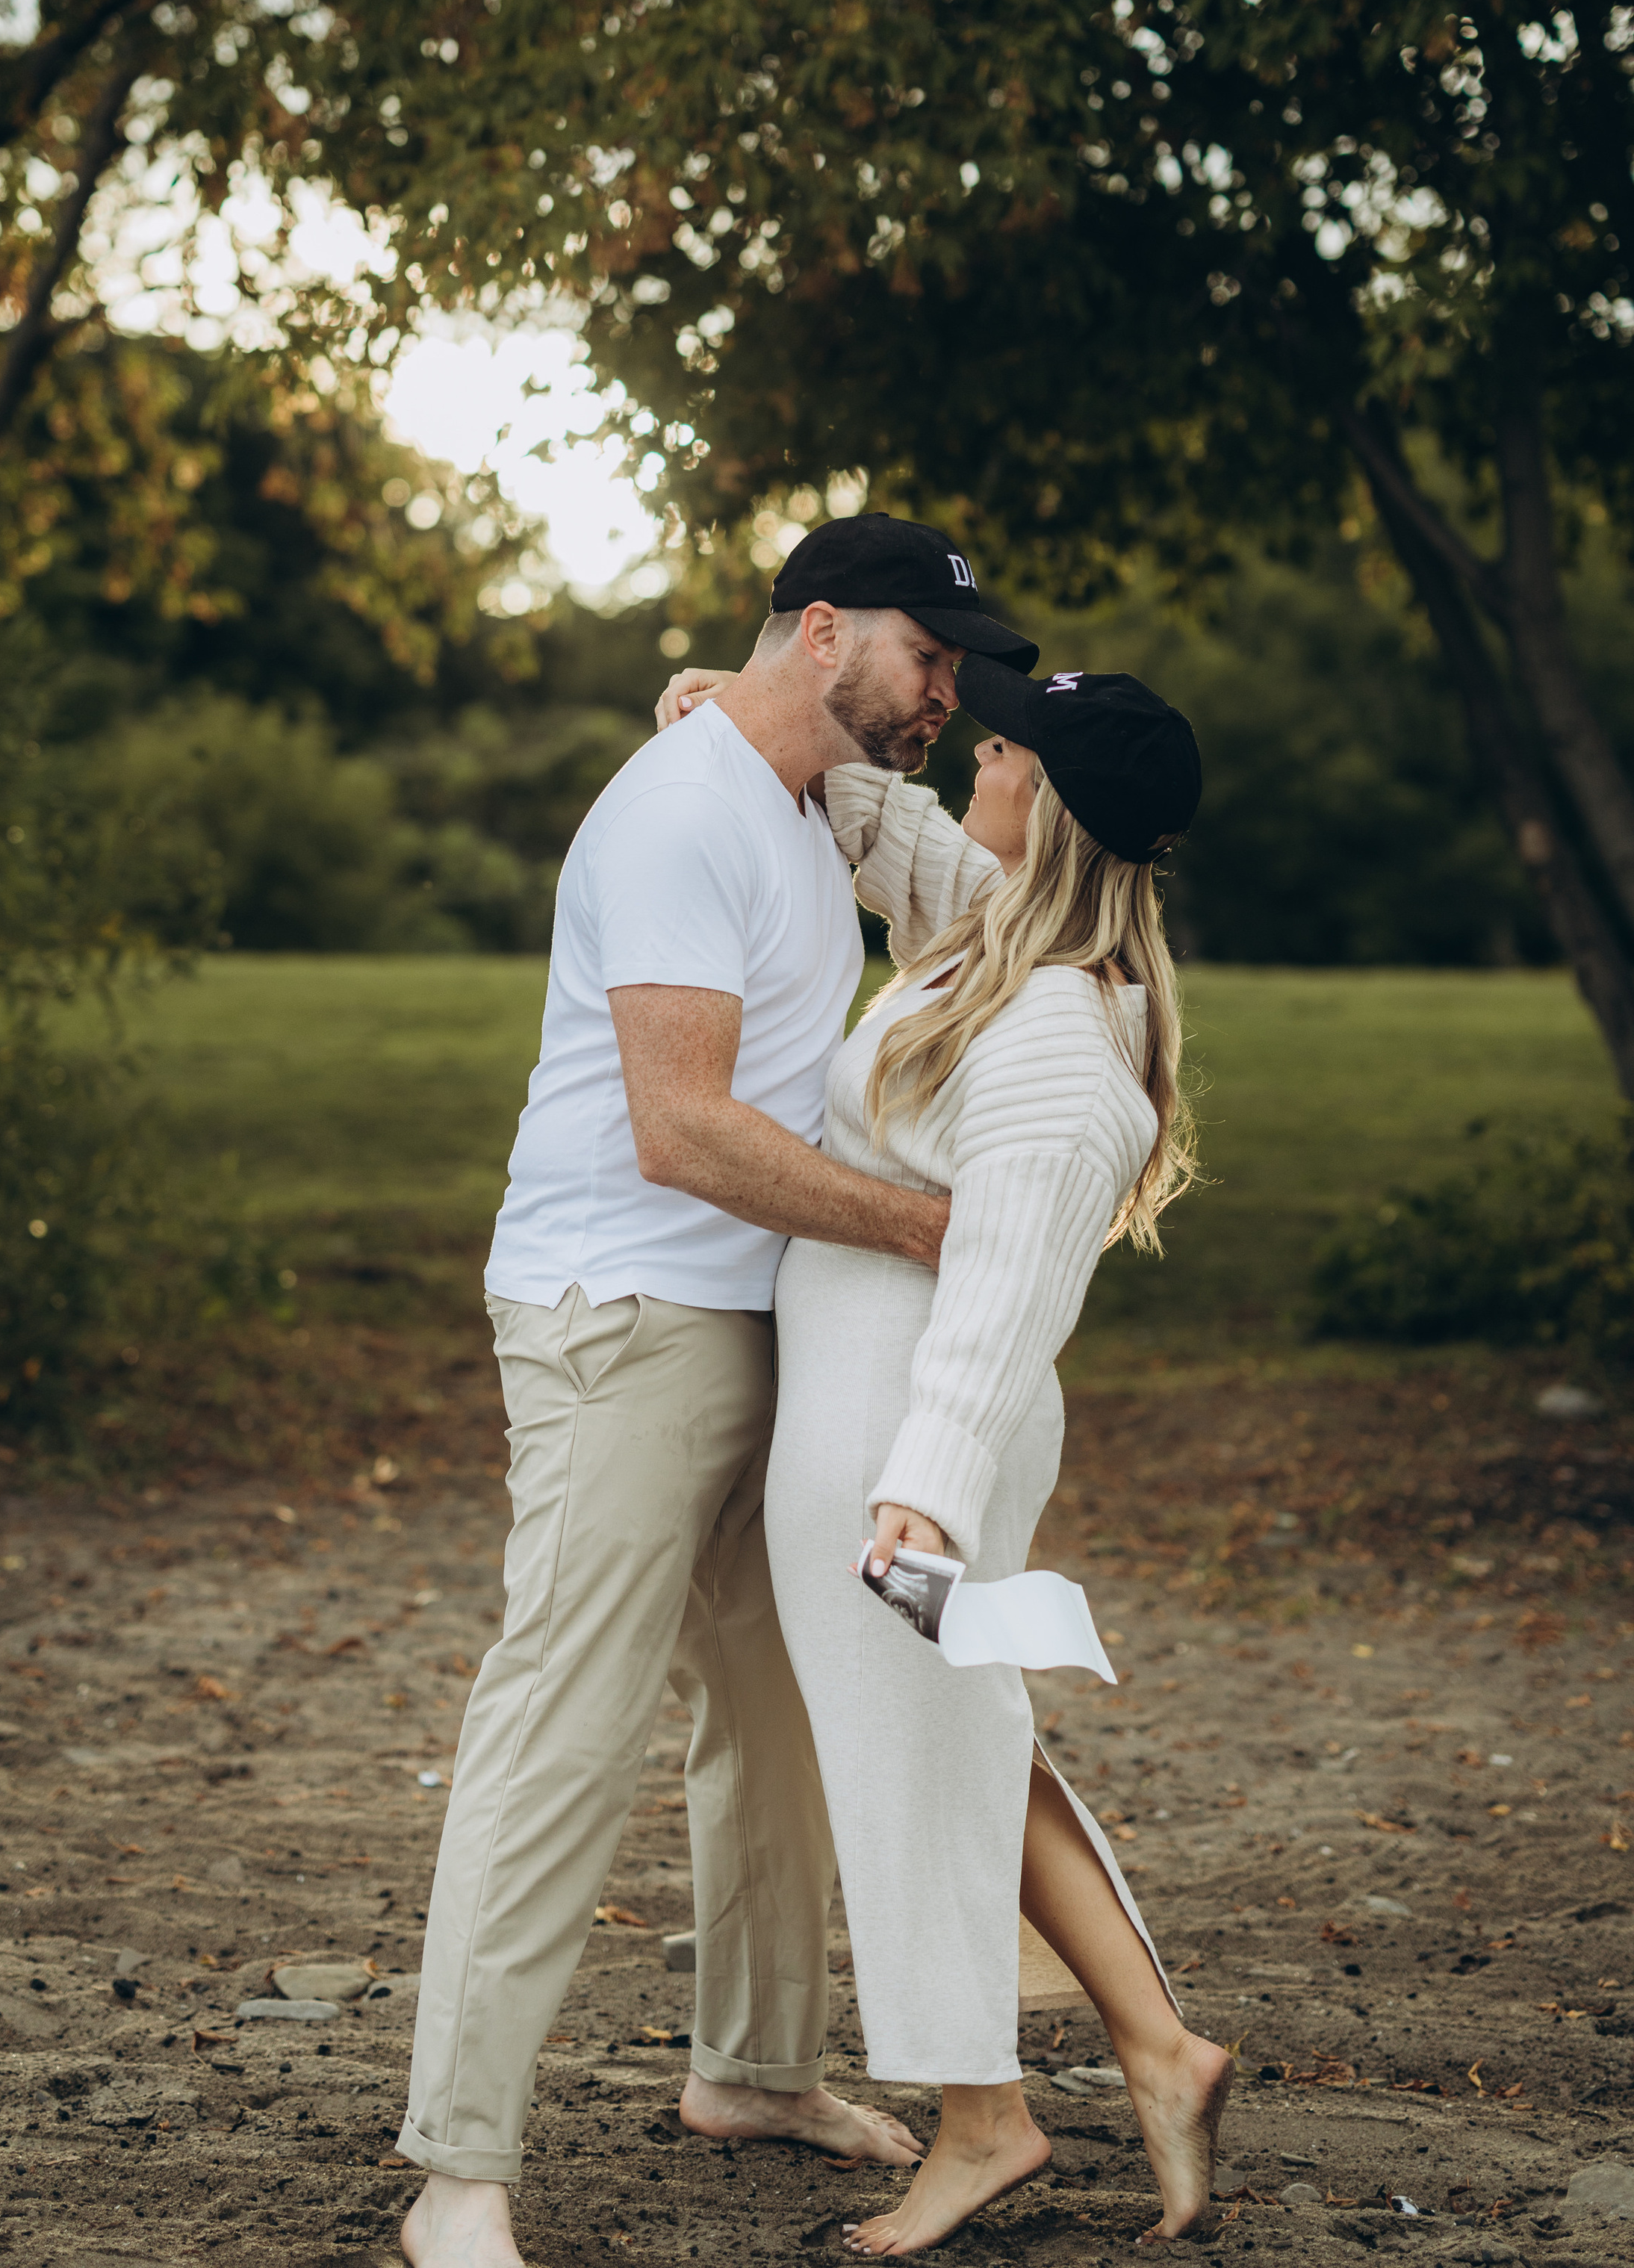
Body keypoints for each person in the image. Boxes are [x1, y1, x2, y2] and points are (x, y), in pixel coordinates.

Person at [399, 515, 1040, 2268]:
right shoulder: (681, 808)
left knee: (774, 1716)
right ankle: (455, 2170)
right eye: (928, 654)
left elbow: (985, 910)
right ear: (820, 628)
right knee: (562, 1724)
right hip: (620, 1321)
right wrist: (927, 1229)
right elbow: (681, 1130)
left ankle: (751, 2070)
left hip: (754, 1321)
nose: (946, 691)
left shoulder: (793, 799)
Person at [660, 651, 1231, 2249]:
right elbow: (886, 830)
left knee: (909, 1771)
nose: (973, 752)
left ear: (1041, 803)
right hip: (869, 1419)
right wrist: (757, 702)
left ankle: (982, 2124)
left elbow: (1001, 1297)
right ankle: (1157, 2050)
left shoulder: (1057, 1033)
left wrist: (923, 1489)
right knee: (962, 1744)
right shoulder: (990, 939)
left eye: (1005, 745)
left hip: (900, 1437)